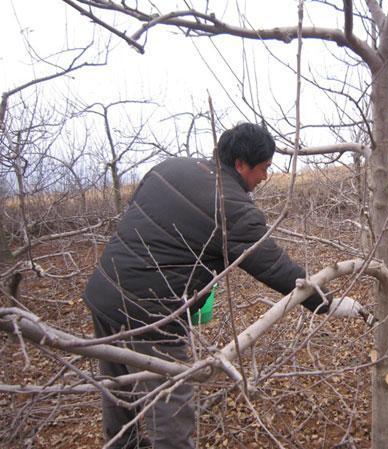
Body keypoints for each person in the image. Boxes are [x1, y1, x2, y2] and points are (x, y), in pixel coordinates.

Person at [83, 122, 365, 449]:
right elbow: (273, 265)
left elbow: (144, 221)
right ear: (241, 164)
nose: (264, 177)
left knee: (118, 389)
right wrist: (326, 303)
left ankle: (122, 445)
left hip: (104, 291)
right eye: (263, 168)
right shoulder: (232, 206)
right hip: (152, 313)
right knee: (171, 406)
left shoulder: (169, 168)